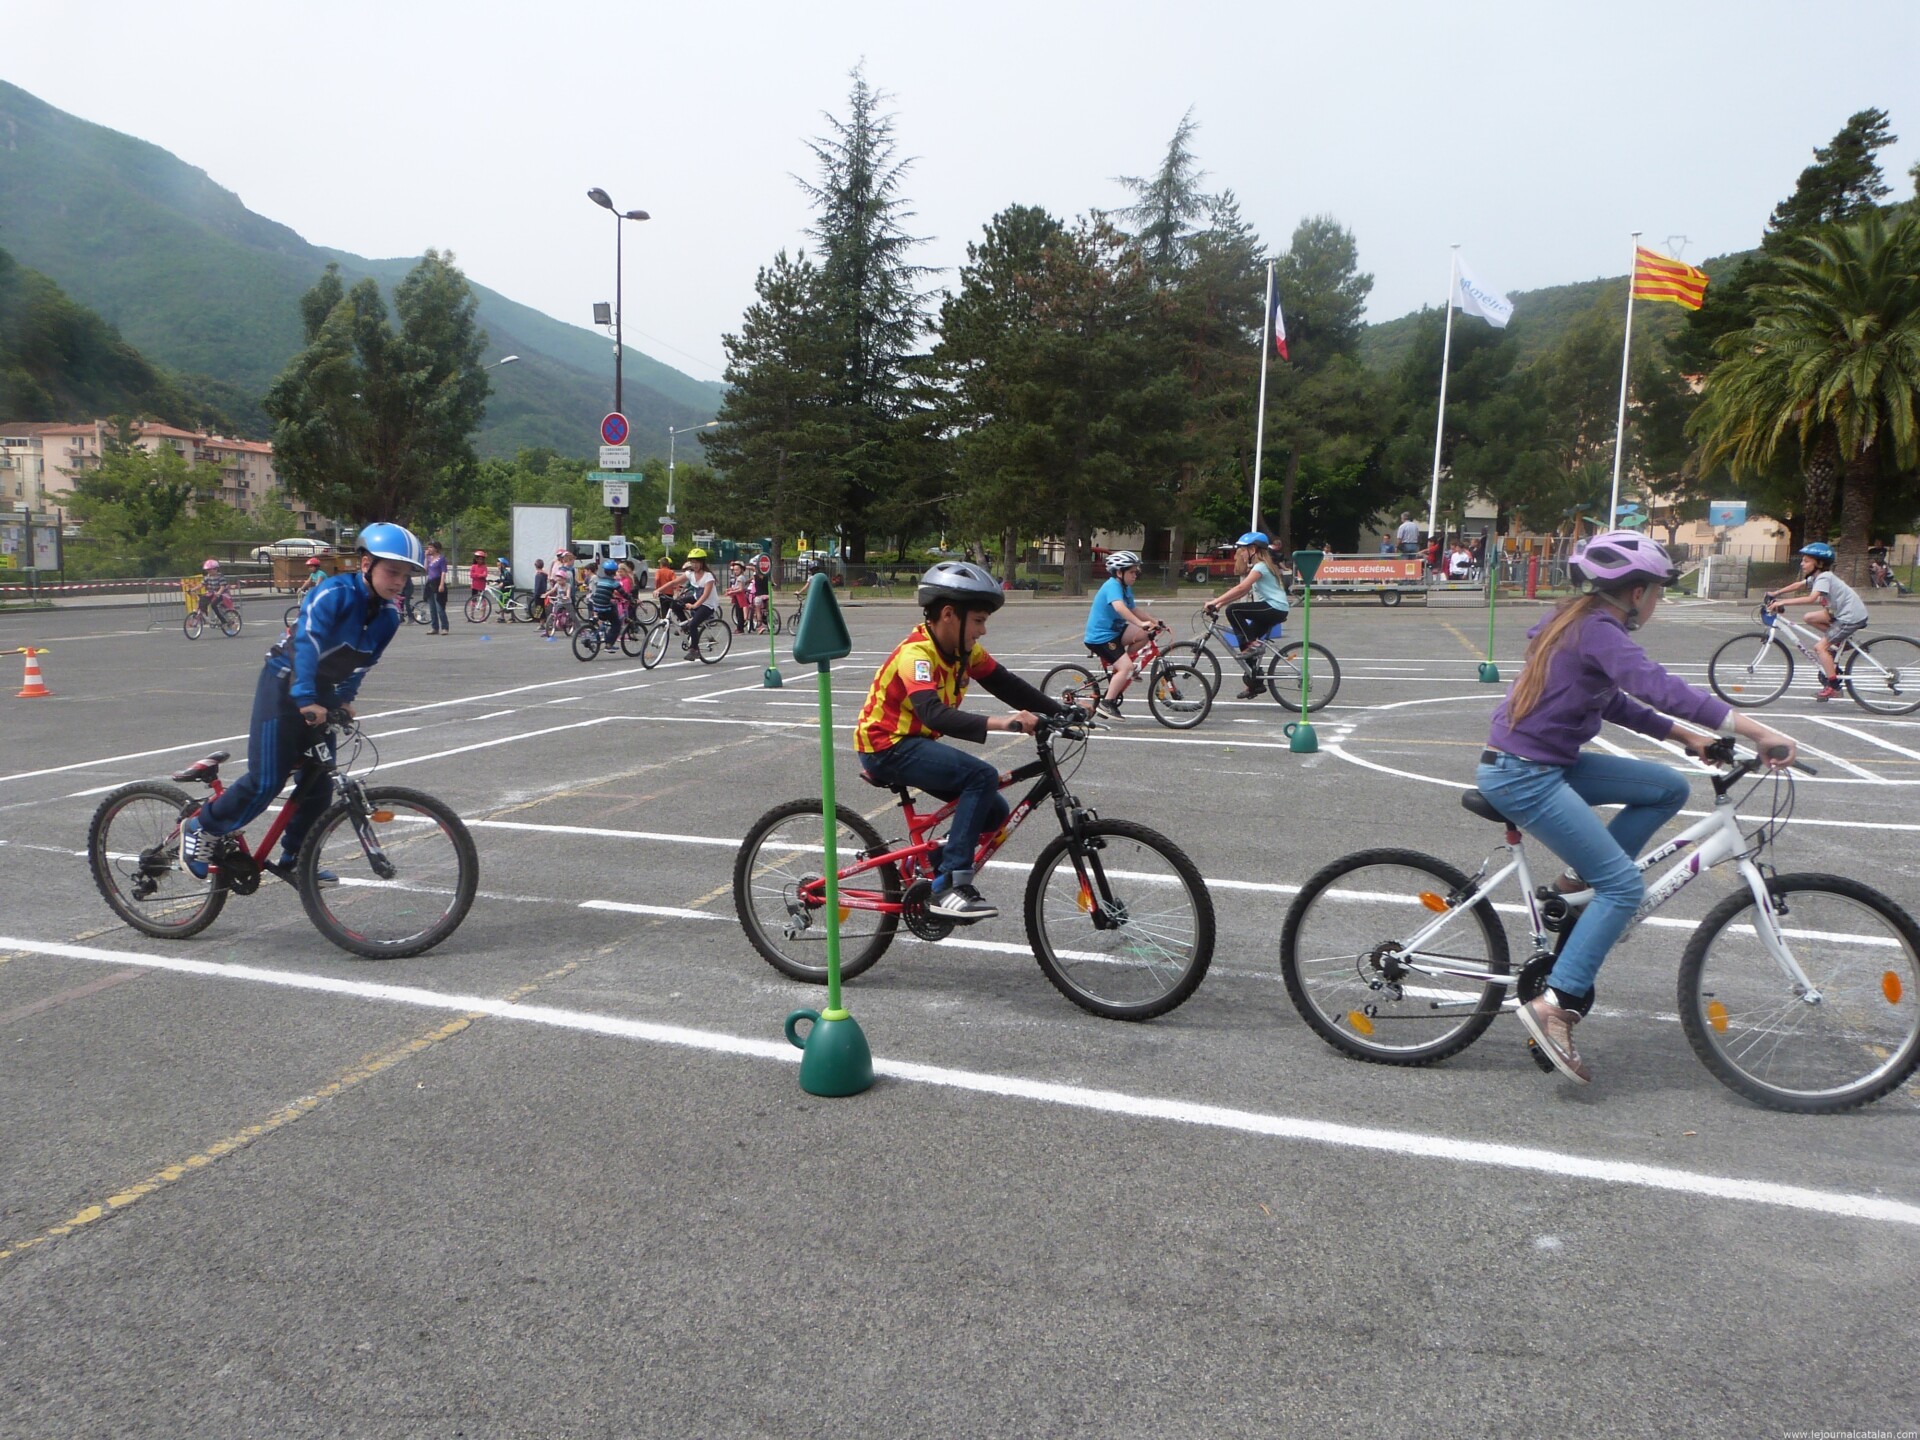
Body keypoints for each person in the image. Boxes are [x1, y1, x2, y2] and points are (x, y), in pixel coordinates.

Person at [1474, 530, 1796, 1085]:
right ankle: (1557, 1005)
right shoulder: (1595, 628)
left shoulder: (1583, 623)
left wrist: (1684, 739)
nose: (1658, 602)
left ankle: (1578, 885)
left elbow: (1617, 699)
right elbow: (1659, 687)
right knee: (1624, 887)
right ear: (1637, 591)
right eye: (1658, 592)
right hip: (1523, 776)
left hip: (1545, 763)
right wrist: (1758, 730)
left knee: (1667, 788)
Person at [182, 524, 427, 883]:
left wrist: (343, 700)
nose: (398, 582)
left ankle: (296, 857)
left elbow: (363, 663)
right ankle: (202, 827)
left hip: (320, 692)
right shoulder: (332, 593)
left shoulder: (388, 617)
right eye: (392, 572)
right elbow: (307, 645)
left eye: (406, 576)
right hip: (285, 683)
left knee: (318, 783)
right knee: (267, 779)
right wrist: (306, 698)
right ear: (365, 564)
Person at [855, 562, 1069, 922]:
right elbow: (933, 714)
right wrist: (1006, 722)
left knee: (995, 812)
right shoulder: (917, 655)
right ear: (949, 614)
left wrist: (1061, 712)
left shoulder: (963, 654)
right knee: (980, 777)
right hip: (886, 746)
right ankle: (949, 885)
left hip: (913, 744)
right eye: (979, 620)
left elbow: (1005, 682)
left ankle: (924, 868)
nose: (983, 631)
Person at [1764, 542, 1870, 700]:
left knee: (1820, 648)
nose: (1802, 563)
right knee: (1809, 617)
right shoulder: (1818, 577)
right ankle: (1842, 642)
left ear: (1819, 563)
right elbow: (1799, 585)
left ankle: (1833, 687)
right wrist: (1776, 593)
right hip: (1840, 613)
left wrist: (1782, 602)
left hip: (1850, 617)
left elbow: (1812, 598)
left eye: (1806, 561)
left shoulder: (1824, 577)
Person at [1203, 532, 1290, 699]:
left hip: (1274, 608)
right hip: (1273, 609)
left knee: (1234, 611)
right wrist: (1220, 604)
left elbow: (1241, 588)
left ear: (1253, 549)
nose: (1241, 553)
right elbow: (1244, 591)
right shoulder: (1262, 566)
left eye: (1243, 550)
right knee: (1244, 643)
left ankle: (1253, 645)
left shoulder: (1260, 567)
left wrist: (1215, 601)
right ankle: (1255, 684)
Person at [1081, 550, 1166, 720]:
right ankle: (1107, 703)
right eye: (1132, 572)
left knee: (1144, 634)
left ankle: (1122, 667)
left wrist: (1154, 622)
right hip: (1101, 637)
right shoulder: (1112, 586)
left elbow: (1133, 609)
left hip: (1115, 632)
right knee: (1126, 667)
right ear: (1119, 573)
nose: (1136, 575)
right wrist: (1140, 623)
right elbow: (1120, 608)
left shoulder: (1125, 588)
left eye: (1136, 572)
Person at [681, 548, 720, 655]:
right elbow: (674, 582)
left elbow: (705, 595)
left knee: (693, 624)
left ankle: (694, 649)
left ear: (702, 563)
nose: (695, 565)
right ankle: (685, 625)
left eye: (697, 562)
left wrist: (694, 606)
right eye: (692, 562)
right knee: (676, 603)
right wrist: (659, 590)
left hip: (708, 604)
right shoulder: (690, 574)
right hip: (697, 598)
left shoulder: (708, 576)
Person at [589, 559, 623, 647]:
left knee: (606, 613)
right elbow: (623, 593)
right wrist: (632, 599)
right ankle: (609, 644)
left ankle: (599, 629)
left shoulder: (600, 580)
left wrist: (611, 596)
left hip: (595, 604)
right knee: (616, 624)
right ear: (615, 572)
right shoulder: (614, 583)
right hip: (604, 606)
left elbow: (603, 592)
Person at [423, 542, 449, 634]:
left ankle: (445, 627)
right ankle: (434, 627)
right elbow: (425, 570)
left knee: (440, 607)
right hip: (430, 583)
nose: (429, 549)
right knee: (432, 608)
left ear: (436, 549)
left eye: (431, 547)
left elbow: (443, 572)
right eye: (428, 547)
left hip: (438, 582)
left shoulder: (441, 559)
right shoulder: (429, 558)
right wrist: (426, 558)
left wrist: (441, 584)